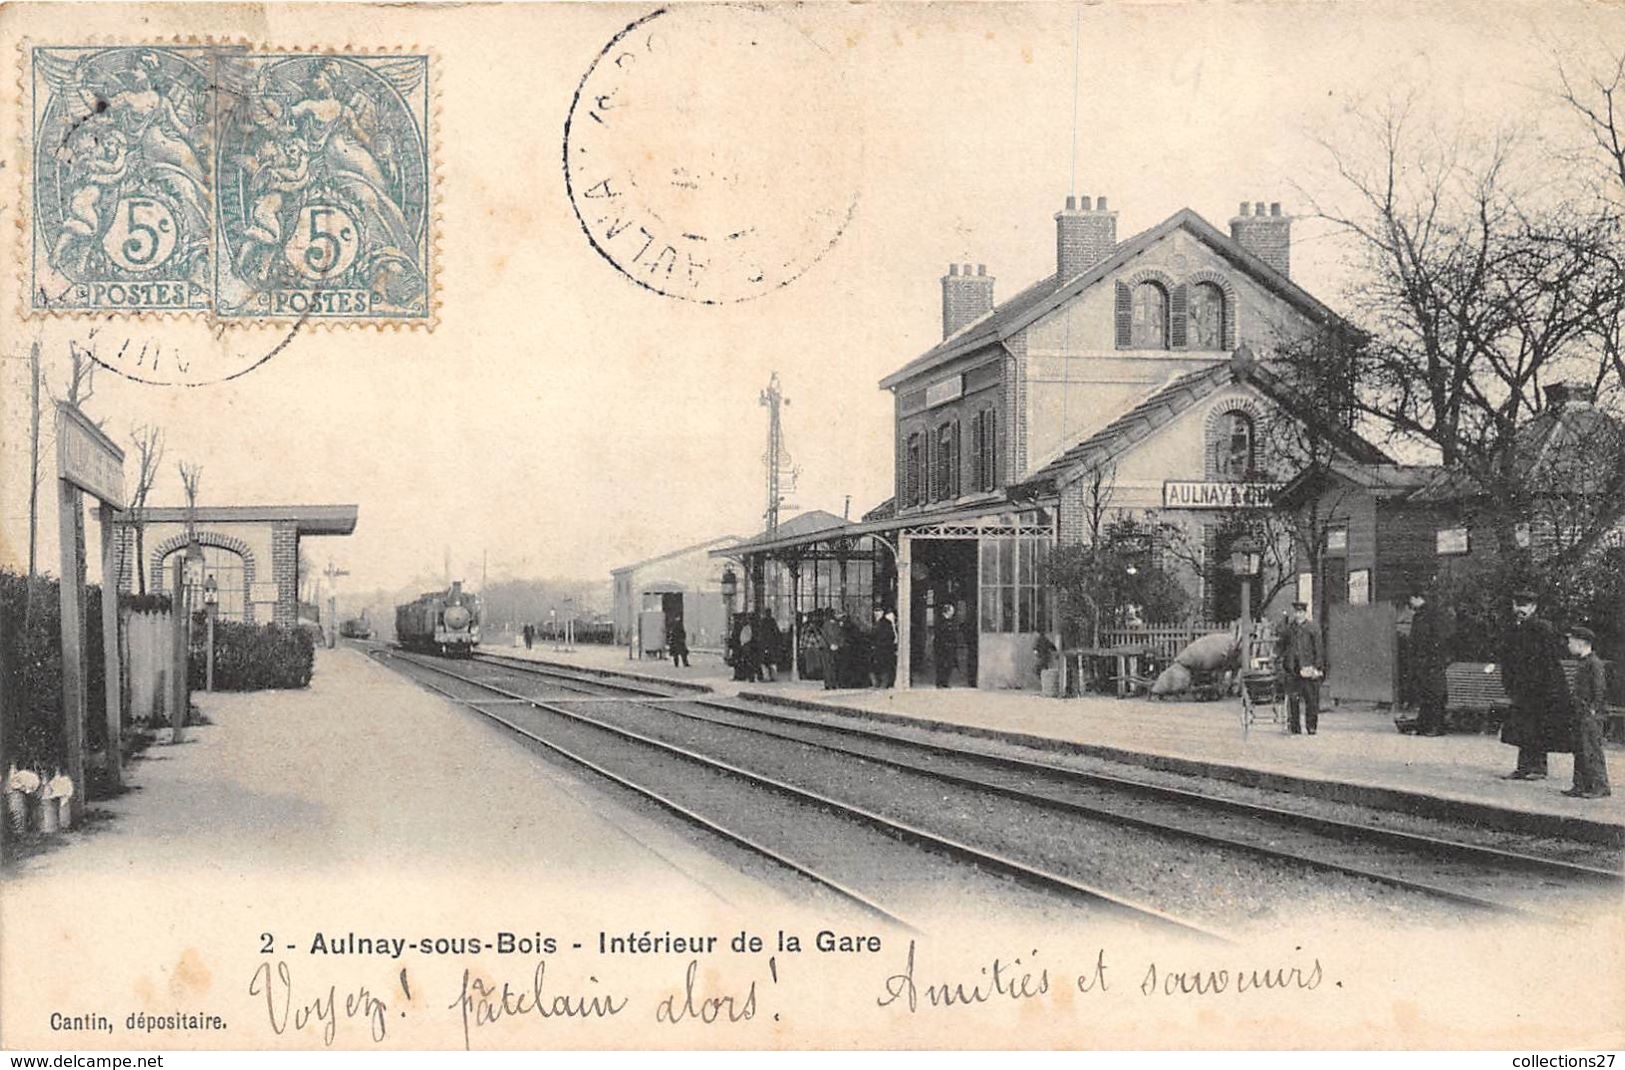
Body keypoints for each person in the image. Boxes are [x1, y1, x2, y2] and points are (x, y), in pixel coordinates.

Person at [1496, 590, 1571, 780]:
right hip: (1521, 686)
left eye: (1525, 606)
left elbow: (1549, 660)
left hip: (1541, 687)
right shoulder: (1513, 628)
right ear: (1513, 606)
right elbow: (1507, 656)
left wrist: (1543, 685)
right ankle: (1523, 767)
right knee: (1523, 727)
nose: (1521, 609)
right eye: (1518, 605)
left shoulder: (1542, 628)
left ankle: (1538, 768)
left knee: (1538, 726)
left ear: (1533, 607)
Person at [1564, 625, 1611, 799]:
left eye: (1571, 641)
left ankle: (1600, 786)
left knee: (1591, 749)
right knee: (1580, 748)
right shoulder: (1584, 662)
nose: (1568, 644)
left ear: (1582, 642)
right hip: (1580, 712)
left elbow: (1599, 689)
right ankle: (1581, 785)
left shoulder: (1594, 663)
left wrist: (1593, 709)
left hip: (1590, 714)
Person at [1407, 590, 1454, 735]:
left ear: (1416, 598)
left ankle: (1433, 726)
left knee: (1432, 694)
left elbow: (1427, 638)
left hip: (1430, 660)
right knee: (1430, 694)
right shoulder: (1432, 613)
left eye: (1411, 601)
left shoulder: (1425, 615)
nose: (1410, 605)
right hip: (1431, 660)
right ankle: (1428, 726)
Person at [1277, 601, 1323, 735]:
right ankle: (1295, 726)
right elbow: (1282, 644)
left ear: (1305, 613)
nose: (1298, 615)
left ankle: (1311, 726)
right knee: (1293, 698)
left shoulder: (1312, 628)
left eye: (1301, 612)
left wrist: (1317, 666)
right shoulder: (1289, 629)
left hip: (1308, 667)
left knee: (1311, 699)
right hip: (1292, 668)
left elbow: (1319, 649)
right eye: (1296, 612)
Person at [933, 602, 960, 688]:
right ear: (947, 611)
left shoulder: (951, 621)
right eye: (951, 611)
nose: (953, 612)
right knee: (941, 664)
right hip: (941, 646)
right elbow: (939, 634)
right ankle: (939, 682)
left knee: (949, 664)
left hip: (950, 646)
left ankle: (945, 682)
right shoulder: (940, 621)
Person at [870, 606, 898, 688]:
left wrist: (880, 643)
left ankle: (883, 684)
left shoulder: (885, 623)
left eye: (878, 612)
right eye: (875, 612)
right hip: (880, 648)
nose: (876, 614)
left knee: (883, 666)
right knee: (879, 666)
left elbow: (890, 636)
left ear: (882, 613)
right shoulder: (878, 622)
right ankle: (878, 683)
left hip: (883, 648)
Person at [821, 611, 846, 690]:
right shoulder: (831, 624)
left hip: (831, 647)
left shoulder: (835, 624)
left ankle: (831, 684)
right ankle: (831, 684)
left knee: (831, 666)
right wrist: (833, 644)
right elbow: (826, 635)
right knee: (830, 666)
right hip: (828, 648)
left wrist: (837, 645)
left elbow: (840, 636)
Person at [757, 613, 781, 682]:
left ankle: (766, 677)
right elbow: (777, 633)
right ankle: (774, 676)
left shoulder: (763, 623)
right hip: (772, 645)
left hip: (765, 645)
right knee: (772, 662)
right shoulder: (773, 622)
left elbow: (761, 634)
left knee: (764, 663)